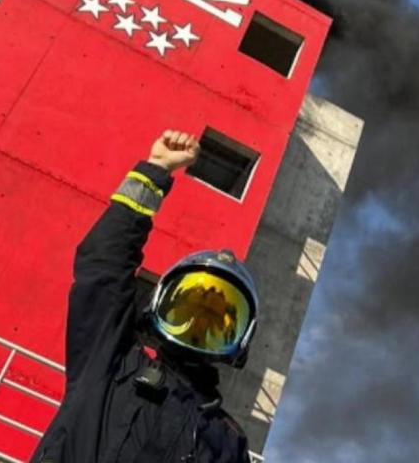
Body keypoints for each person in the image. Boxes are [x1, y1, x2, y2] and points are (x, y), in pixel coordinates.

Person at [32, 130, 255, 463]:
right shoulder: (108, 359)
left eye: (215, 324)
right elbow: (104, 270)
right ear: (158, 304)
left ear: (241, 341)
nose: (195, 327)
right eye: (187, 310)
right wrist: (155, 171)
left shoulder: (226, 443)